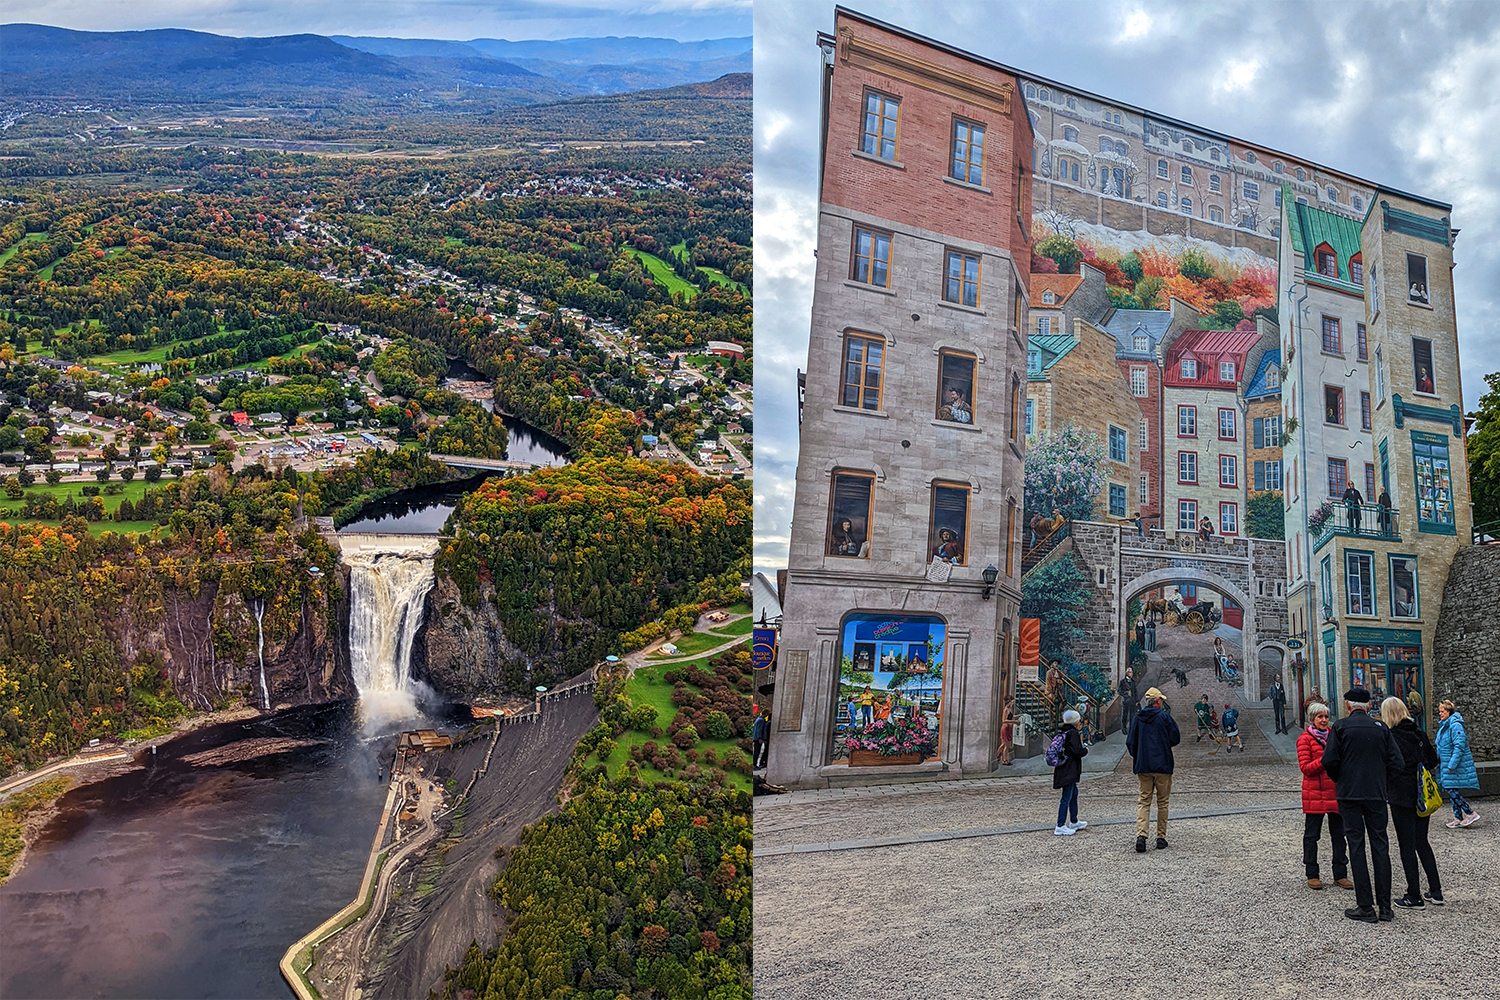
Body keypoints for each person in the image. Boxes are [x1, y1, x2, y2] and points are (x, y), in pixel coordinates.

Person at [1320, 687, 1404, 922]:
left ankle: (1365, 905)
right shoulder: (1381, 728)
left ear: (1348, 705)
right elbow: (1397, 762)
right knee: (1380, 845)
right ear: (1368, 706)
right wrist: (1381, 780)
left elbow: (1329, 760)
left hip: (1350, 794)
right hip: (1375, 793)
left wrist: (1341, 778)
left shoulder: (1340, 727)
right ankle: (1385, 907)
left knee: (1356, 846)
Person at [1381, 697, 1443, 908]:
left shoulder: (1391, 736)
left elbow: (1388, 766)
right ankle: (1436, 890)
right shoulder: (1418, 733)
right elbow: (1433, 761)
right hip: (1421, 795)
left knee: (1406, 845)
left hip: (1400, 795)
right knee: (1422, 841)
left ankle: (1413, 894)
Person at [1298, 703, 1351, 891]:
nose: (1323, 720)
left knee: (1339, 835)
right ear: (1312, 719)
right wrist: (1324, 760)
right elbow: (1305, 768)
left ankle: (1340, 874)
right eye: (1320, 717)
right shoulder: (1305, 739)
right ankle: (1312, 873)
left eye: (1326, 717)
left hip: (1335, 793)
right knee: (1312, 836)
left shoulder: (1335, 737)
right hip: (1315, 794)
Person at [1127, 687, 1179, 852]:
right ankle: (1161, 838)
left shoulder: (1138, 718)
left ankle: (1141, 835)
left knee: (1144, 801)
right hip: (1162, 765)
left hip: (1144, 765)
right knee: (1162, 802)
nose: (1162, 702)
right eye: (1161, 700)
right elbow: (1175, 738)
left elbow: (1130, 742)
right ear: (1157, 702)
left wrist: (1139, 755)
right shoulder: (1164, 717)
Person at [1434, 699, 1481, 828]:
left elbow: (1459, 746)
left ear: (1449, 711)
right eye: (1440, 712)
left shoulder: (1455, 725)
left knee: (1451, 789)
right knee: (1452, 788)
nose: (1440, 714)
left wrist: (1451, 764)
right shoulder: (1447, 724)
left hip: (1451, 765)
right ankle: (1457, 817)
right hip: (1446, 763)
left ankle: (1470, 813)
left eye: (1442, 711)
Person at [1053, 709, 1089, 836]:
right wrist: (1085, 750)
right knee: (1067, 795)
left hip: (1064, 767)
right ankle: (1060, 824)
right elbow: (1077, 751)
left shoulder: (1062, 731)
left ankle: (1074, 820)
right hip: (1069, 768)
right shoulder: (1072, 733)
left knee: (1073, 793)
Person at [1119, 667, 1140, 738]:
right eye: (1130, 672)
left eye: (1132, 672)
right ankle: (1124, 728)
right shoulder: (1122, 682)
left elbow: (1135, 692)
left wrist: (1137, 701)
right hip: (1126, 701)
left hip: (1132, 701)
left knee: (1132, 715)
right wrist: (1126, 693)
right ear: (1127, 673)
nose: (1132, 674)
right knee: (1124, 715)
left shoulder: (1133, 682)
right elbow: (1119, 691)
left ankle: (1131, 728)